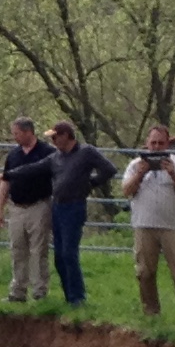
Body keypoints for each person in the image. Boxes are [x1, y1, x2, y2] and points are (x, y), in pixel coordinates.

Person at [123, 125, 175, 321]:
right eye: (153, 143)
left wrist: (173, 174)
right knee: (145, 272)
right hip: (144, 225)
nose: (156, 147)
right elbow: (126, 190)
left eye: (161, 143)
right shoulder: (135, 165)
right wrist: (140, 174)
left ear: (168, 143)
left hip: (172, 226)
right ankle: (151, 313)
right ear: (146, 144)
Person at [44, 120, 114, 304]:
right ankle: (69, 295)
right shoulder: (55, 157)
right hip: (57, 207)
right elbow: (34, 168)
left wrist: (91, 183)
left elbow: (109, 169)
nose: (52, 140)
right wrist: (7, 175)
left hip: (74, 207)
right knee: (59, 255)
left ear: (66, 135)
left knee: (68, 252)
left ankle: (78, 296)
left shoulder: (86, 152)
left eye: (54, 136)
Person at [0, 116, 53, 302]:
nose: (15, 137)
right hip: (17, 208)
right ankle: (18, 291)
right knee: (18, 249)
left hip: (39, 206)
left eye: (17, 133)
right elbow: (5, 182)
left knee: (39, 249)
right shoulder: (13, 156)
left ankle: (39, 291)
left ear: (29, 132)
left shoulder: (47, 152)